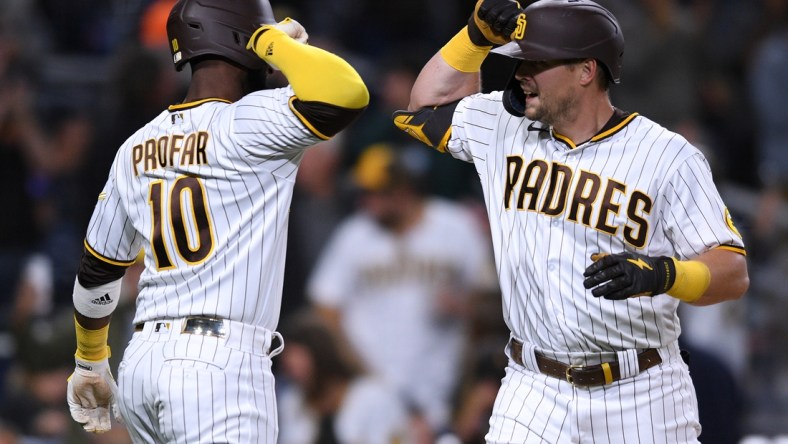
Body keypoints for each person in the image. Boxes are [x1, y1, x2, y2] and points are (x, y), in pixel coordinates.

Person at [392, 0, 749, 442]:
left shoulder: (667, 155)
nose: (522, 73)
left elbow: (732, 273)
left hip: (641, 391)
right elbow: (423, 103)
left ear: (586, 71)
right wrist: (475, 37)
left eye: (538, 62)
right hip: (532, 386)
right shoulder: (502, 126)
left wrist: (665, 274)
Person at [64, 0, 369, 442]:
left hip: (142, 361)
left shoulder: (135, 146)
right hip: (217, 365)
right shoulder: (248, 121)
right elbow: (348, 93)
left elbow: (97, 271)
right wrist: (272, 41)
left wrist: (90, 361)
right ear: (243, 41)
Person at [307, 142, 497, 442]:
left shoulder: (455, 225)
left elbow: (491, 299)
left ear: (403, 190)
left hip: (443, 387)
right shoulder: (355, 234)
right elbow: (325, 307)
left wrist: (465, 306)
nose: (366, 202)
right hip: (374, 391)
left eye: (375, 193)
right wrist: (358, 369)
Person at [276, 309, 410, 444]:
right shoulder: (292, 403)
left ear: (321, 357)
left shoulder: (374, 396)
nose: (293, 373)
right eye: (289, 367)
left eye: (298, 364)